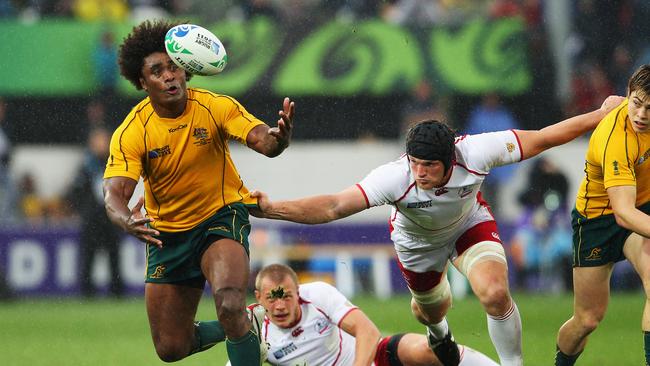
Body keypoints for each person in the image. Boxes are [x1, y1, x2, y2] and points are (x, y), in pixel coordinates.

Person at [251, 95, 624, 366]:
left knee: (494, 293)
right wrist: (272, 209)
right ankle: (438, 330)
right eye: (414, 163)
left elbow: (543, 137)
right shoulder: (394, 178)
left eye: (429, 165)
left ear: (450, 159)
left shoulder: (477, 151)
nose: (420, 172)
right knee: (430, 311)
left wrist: (600, 114)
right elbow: (333, 205)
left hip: (467, 225)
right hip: (416, 245)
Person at [102, 20, 295, 365]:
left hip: (219, 217)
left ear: (187, 70)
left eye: (174, 66)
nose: (169, 76)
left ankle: (236, 318)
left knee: (229, 301)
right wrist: (125, 220)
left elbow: (261, 139)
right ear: (142, 81)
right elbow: (115, 194)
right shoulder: (132, 131)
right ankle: (244, 322)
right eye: (157, 70)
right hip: (168, 236)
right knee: (171, 348)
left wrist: (277, 140)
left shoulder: (214, 106)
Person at [554, 65, 650, 365]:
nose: (642, 114)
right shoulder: (616, 137)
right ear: (627, 96)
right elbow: (622, 213)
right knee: (588, 319)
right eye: (636, 103)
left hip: (643, 208)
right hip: (598, 219)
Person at [249, 263, 499, 366]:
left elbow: (367, 331)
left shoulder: (318, 294)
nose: (280, 305)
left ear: (298, 290)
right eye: (272, 297)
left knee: (427, 350)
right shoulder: (251, 328)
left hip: (371, 358)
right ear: (259, 297)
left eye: (287, 296)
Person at [67, 127, 124, 298]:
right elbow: (75, 192)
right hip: (92, 218)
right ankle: (87, 292)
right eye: (98, 141)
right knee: (89, 256)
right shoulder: (86, 166)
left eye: (103, 141)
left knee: (114, 256)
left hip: (110, 218)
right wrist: (84, 210)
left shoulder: (115, 164)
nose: (101, 145)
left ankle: (117, 292)